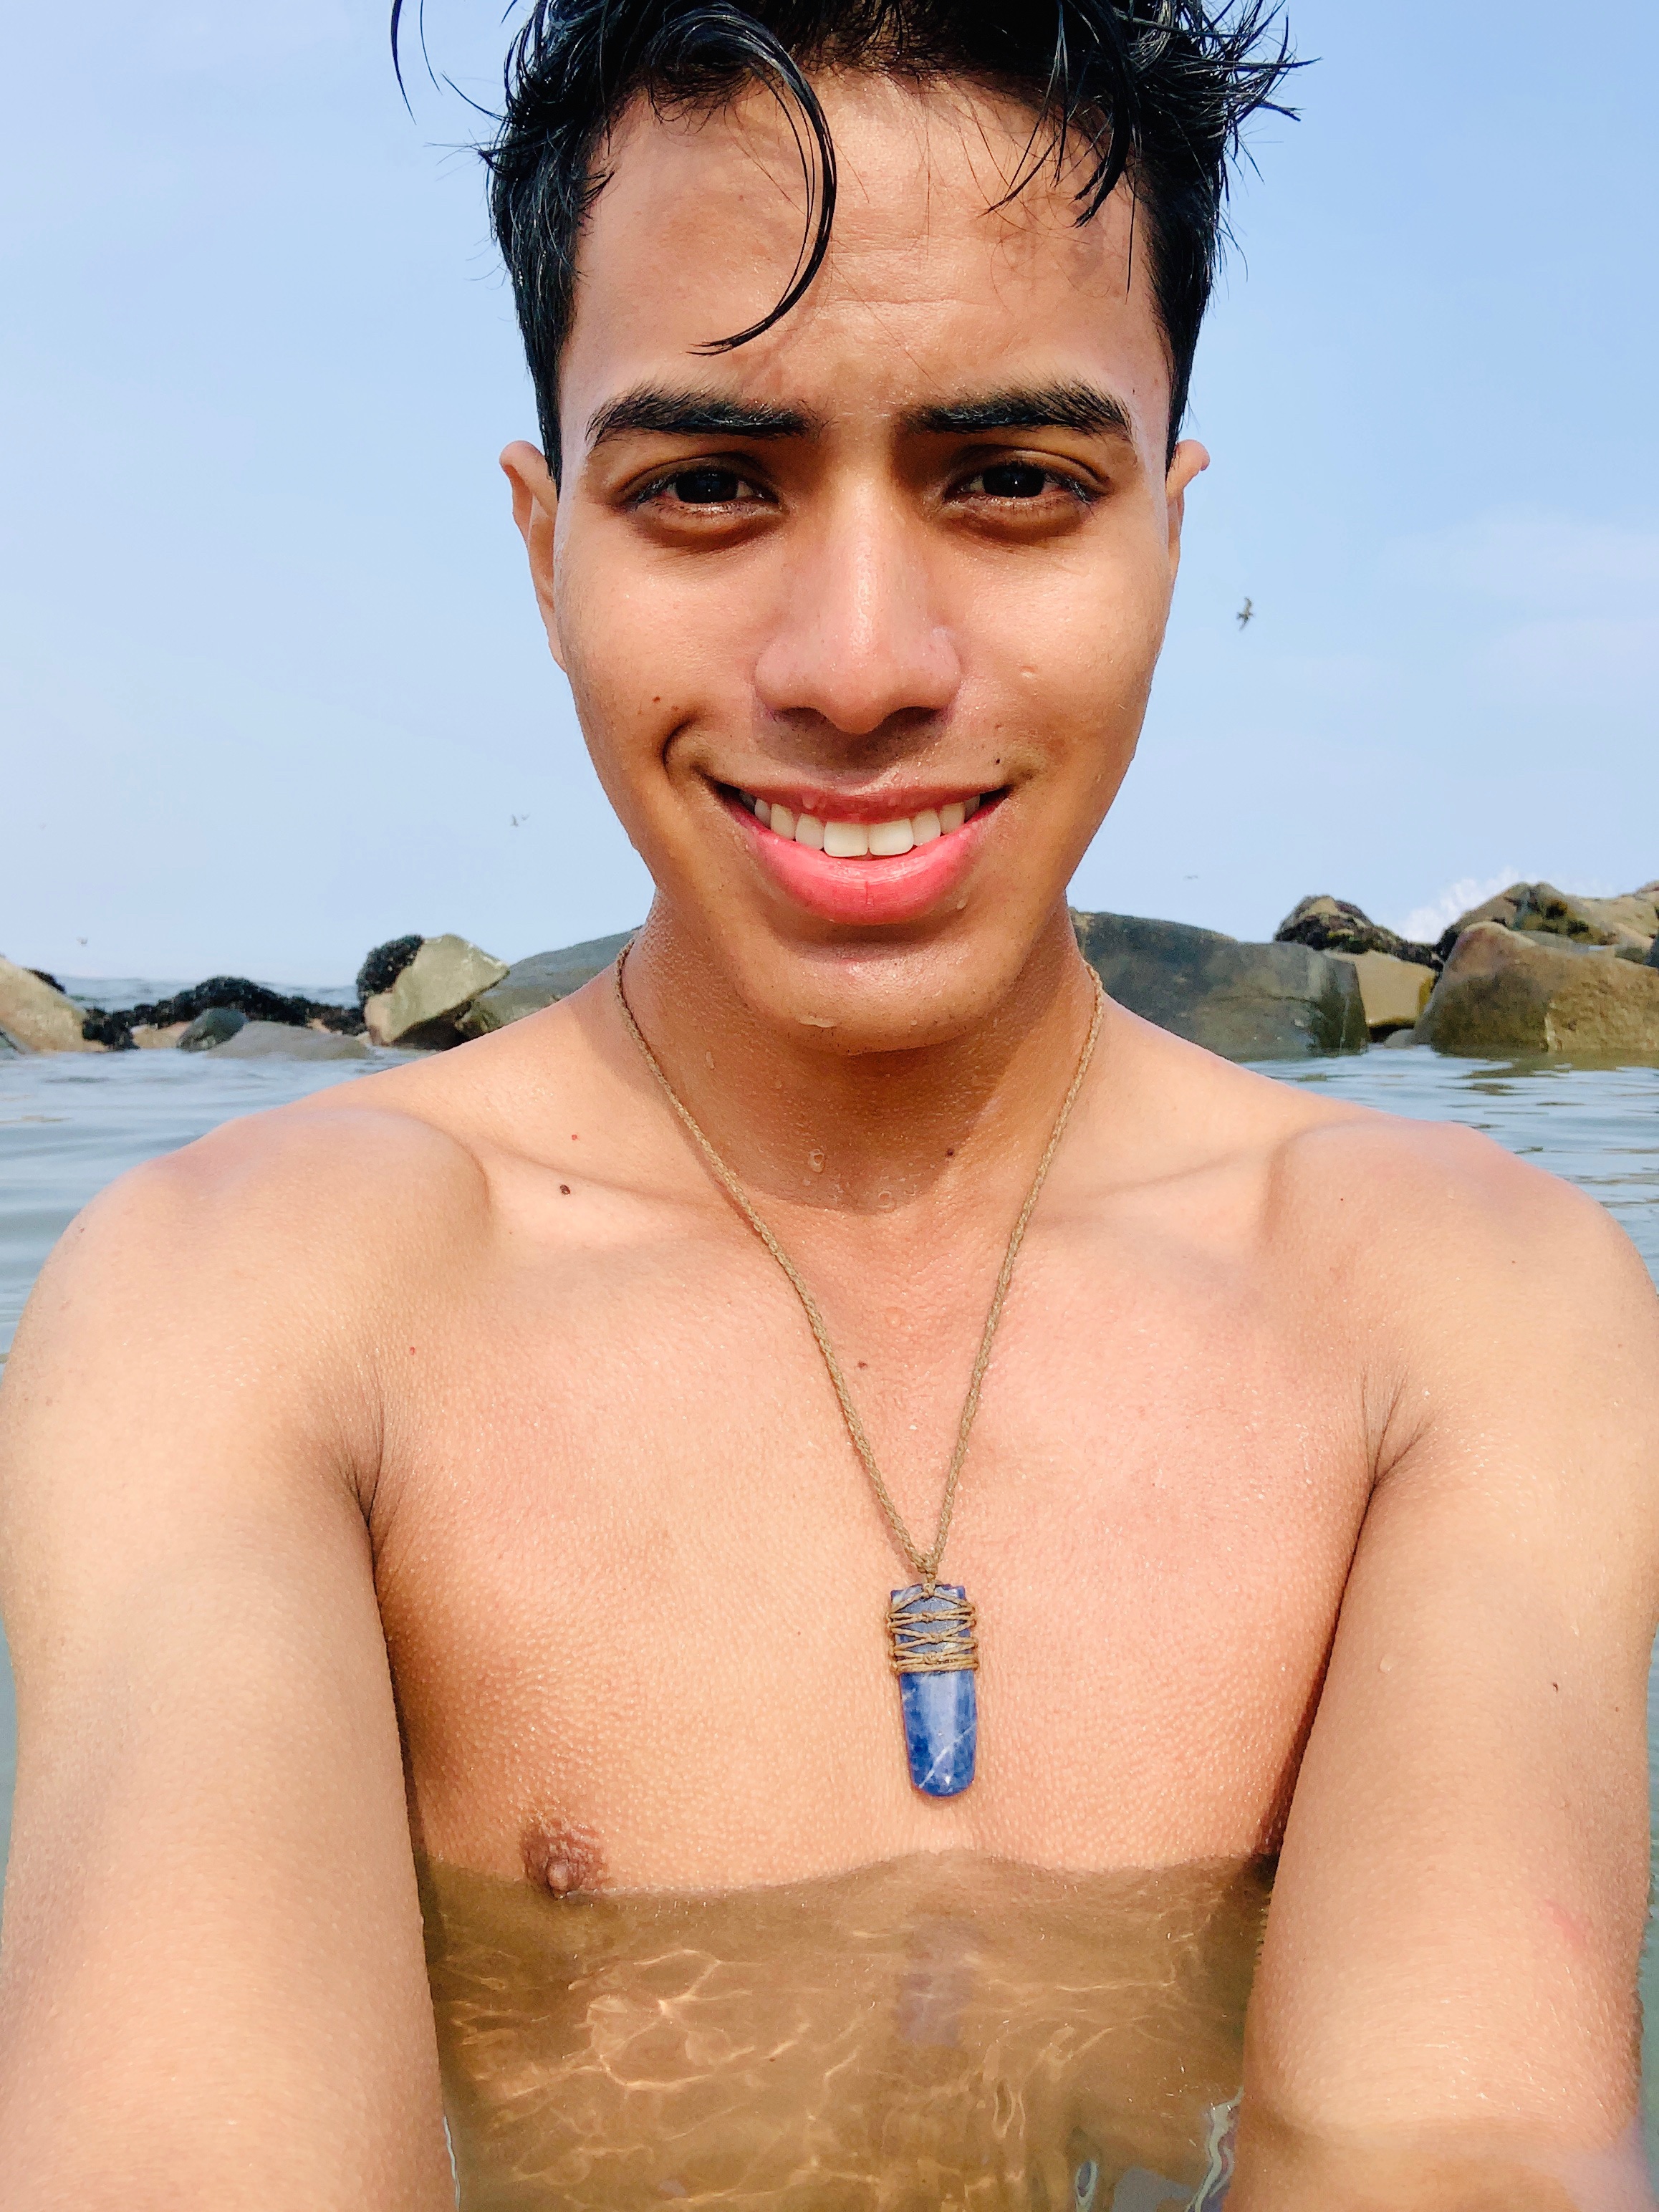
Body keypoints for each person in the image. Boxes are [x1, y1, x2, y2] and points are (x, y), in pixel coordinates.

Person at [1, 4, 1656, 2206]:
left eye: (1011, 481)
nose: (858, 666)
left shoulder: (1466, 1309)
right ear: (544, 548)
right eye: (706, 486)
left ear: (1167, 535)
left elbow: (1460, 2156)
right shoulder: (253, 1308)